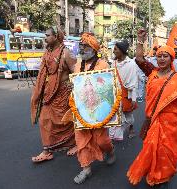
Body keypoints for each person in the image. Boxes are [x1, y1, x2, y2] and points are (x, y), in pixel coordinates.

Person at [127, 29, 177, 187]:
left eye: (165, 56)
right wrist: (139, 40)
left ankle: (162, 176)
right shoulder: (152, 72)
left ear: (171, 58)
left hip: (171, 123)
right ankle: (152, 172)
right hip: (152, 120)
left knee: (165, 151)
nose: (161, 59)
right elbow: (139, 58)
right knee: (151, 147)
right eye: (159, 56)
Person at [67, 33, 116, 184]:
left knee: (101, 140)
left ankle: (110, 151)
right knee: (81, 140)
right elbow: (76, 84)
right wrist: (72, 85)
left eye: (86, 46)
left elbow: (107, 87)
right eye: (81, 46)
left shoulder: (103, 65)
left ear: (94, 49)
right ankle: (86, 169)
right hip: (81, 109)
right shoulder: (77, 65)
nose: (82, 49)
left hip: (98, 109)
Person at [30, 26, 77, 163]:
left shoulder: (66, 53)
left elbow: (76, 72)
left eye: (47, 35)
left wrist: (71, 83)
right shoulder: (47, 53)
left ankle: (74, 143)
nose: (45, 38)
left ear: (56, 37)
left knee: (66, 121)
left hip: (63, 93)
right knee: (44, 120)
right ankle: (47, 151)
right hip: (49, 93)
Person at [109, 40, 139, 140]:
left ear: (122, 51)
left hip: (127, 93)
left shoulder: (131, 64)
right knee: (116, 114)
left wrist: (133, 99)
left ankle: (131, 127)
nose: (113, 51)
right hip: (115, 93)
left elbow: (134, 83)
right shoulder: (113, 63)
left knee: (128, 115)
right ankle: (116, 134)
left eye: (116, 49)